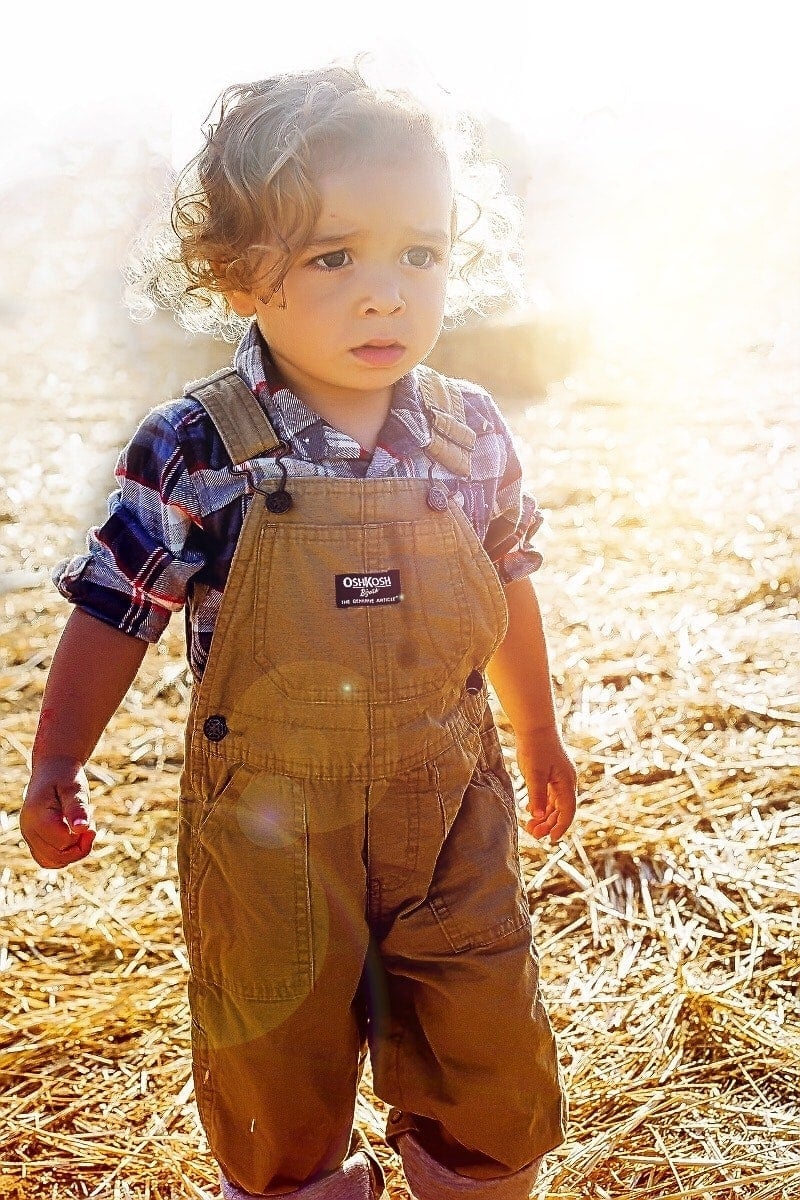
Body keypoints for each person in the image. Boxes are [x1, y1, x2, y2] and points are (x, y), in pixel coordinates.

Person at [21, 60, 577, 1200]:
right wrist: (55, 761)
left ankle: (471, 1175)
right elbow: (114, 609)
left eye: (416, 253)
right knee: (273, 1052)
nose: (385, 294)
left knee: (483, 1036)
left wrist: (539, 737)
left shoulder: (466, 434)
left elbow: (507, 585)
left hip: (447, 808)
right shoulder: (199, 445)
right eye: (334, 257)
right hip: (271, 830)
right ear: (235, 275)